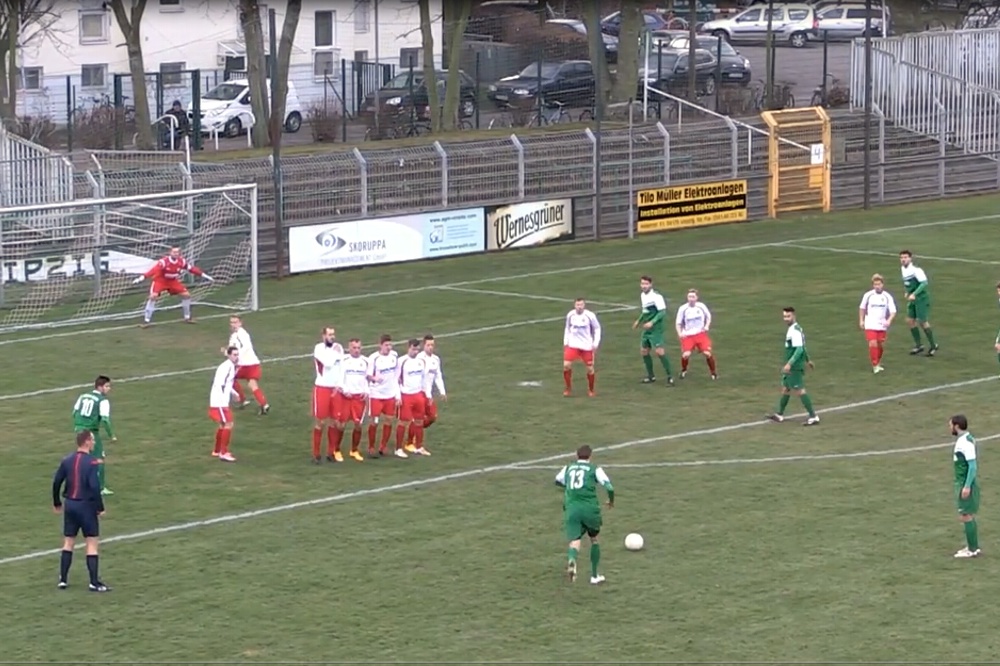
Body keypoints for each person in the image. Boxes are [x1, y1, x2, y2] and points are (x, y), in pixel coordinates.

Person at [52, 430, 110, 592]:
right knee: (91, 542)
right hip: (86, 506)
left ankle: (63, 579)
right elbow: (94, 487)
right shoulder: (91, 463)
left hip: (70, 504)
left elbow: (57, 482)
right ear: (86, 442)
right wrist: (100, 508)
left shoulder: (67, 460)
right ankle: (93, 582)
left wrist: (57, 502)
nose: (94, 443)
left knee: (68, 541)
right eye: (92, 440)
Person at [555, 445, 614, 585]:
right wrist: (611, 501)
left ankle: (572, 560)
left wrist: (570, 488)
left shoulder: (568, 467)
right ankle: (594, 576)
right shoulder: (595, 469)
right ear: (590, 456)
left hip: (572, 509)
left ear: (577, 455)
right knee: (594, 539)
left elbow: (557, 480)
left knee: (575, 539)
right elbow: (609, 487)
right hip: (589, 509)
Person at [132, 246, 213, 326]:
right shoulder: (164, 262)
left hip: (173, 281)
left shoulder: (182, 261)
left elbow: (192, 269)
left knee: (186, 295)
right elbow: (153, 270)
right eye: (174, 252)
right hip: (160, 280)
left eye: (177, 252)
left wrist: (205, 276)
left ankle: (187, 317)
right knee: (153, 296)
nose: (176, 254)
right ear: (170, 252)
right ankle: (146, 321)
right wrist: (141, 278)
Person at [767, 307, 819, 426]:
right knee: (786, 388)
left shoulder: (795, 330)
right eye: (784, 316)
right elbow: (803, 347)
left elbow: (799, 349)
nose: (786, 319)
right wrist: (808, 359)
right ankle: (779, 414)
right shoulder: (794, 329)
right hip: (791, 364)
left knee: (800, 390)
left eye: (788, 316)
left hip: (794, 366)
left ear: (794, 316)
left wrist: (789, 364)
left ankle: (813, 416)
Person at [72, 376, 116, 496]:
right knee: (99, 459)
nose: (109, 389)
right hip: (91, 432)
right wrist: (111, 435)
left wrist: (78, 426)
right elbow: (105, 420)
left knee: (83, 457)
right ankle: (100, 488)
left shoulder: (83, 396)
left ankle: (80, 484)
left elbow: (74, 412)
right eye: (107, 386)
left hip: (79, 430)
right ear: (100, 387)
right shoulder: (102, 400)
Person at [632, 275, 674, 385]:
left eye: (646, 284)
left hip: (656, 329)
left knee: (659, 352)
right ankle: (651, 376)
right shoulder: (643, 296)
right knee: (644, 351)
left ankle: (670, 376)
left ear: (651, 284)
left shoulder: (656, 297)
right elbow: (645, 311)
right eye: (642, 284)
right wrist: (639, 320)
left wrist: (652, 322)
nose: (644, 286)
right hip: (647, 328)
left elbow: (662, 312)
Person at [408, 334, 446, 452]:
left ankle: (414, 432)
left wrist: (442, 391)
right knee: (420, 418)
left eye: (432, 345)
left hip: (427, 394)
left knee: (432, 417)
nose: (430, 347)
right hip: (420, 392)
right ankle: (412, 442)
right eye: (428, 345)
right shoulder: (419, 359)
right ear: (424, 346)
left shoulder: (435, 359)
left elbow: (438, 376)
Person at [312, 326, 345, 463]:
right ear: (323, 336)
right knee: (320, 421)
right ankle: (316, 453)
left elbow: (342, 367)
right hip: (322, 389)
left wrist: (340, 385)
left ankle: (330, 452)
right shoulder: (318, 348)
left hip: (335, 389)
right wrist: (335, 353)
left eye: (333, 334)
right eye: (329, 334)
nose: (332, 337)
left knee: (334, 422)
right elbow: (328, 363)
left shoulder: (339, 347)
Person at [950, 415, 981, 558]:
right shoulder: (967, 439)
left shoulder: (965, 443)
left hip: (965, 482)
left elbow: (972, 466)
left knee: (965, 515)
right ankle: (972, 547)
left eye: (951, 425)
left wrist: (967, 486)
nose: (950, 428)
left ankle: (972, 549)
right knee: (966, 514)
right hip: (963, 481)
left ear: (956, 426)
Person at [226, 315, 269, 415]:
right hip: (253, 363)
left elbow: (246, 346)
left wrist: (236, 355)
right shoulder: (234, 335)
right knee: (252, 385)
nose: (233, 324)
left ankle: (242, 400)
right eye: (231, 322)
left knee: (230, 378)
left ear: (240, 323)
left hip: (245, 364)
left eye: (235, 322)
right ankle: (264, 404)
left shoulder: (241, 334)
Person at [367, 334, 402, 458]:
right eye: (386, 345)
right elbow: (367, 375)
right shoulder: (373, 358)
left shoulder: (394, 356)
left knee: (389, 420)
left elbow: (396, 377)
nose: (389, 347)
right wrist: (374, 378)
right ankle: (371, 447)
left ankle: (383, 446)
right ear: (380, 345)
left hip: (390, 394)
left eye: (390, 345)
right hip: (376, 394)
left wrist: (397, 395)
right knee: (374, 421)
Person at [899, 250, 938, 356]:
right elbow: (907, 283)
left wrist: (914, 294)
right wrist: (907, 292)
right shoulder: (903, 269)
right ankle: (919, 345)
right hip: (913, 299)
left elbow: (924, 283)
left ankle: (933, 345)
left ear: (910, 258)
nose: (903, 259)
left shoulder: (916, 270)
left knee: (922, 321)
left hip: (921, 299)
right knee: (910, 320)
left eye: (905, 257)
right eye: (902, 257)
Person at [397, 339, 432, 456]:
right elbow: (396, 380)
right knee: (403, 421)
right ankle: (398, 449)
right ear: (408, 348)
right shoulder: (401, 361)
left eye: (417, 349)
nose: (415, 352)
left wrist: (427, 395)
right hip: (406, 395)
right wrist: (398, 396)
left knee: (419, 421)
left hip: (418, 395)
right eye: (413, 349)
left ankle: (419, 447)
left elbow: (424, 379)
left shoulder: (421, 361)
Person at [858, 274, 897, 374]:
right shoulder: (868, 295)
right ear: (873, 285)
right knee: (872, 343)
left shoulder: (887, 296)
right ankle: (875, 365)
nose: (877, 286)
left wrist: (889, 321)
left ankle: (878, 362)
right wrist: (861, 320)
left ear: (882, 284)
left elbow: (893, 311)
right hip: (870, 323)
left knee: (879, 344)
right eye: (875, 284)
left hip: (881, 324)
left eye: (879, 284)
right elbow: (862, 308)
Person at [563, 298, 602, 397]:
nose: (579, 307)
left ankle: (591, 390)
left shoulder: (590, 316)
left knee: (590, 368)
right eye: (577, 305)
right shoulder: (570, 315)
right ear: (574, 305)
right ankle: (568, 388)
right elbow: (567, 328)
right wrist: (566, 341)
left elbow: (597, 328)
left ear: (584, 305)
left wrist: (595, 343)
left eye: (581, 305)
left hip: (586, 346)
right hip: (573, 344)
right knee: (566, 365)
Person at [675, 288, 717, 380]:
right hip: (688, 335)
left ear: (697, 298)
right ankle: (684, 370)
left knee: (707, 353)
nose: (691, 299)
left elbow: (708, 316)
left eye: (693, 297)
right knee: (686, 355)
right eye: (689, 296)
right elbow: (678, 323)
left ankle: (713, 373)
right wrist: (680, 333)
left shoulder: (701, 306)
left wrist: (707, 326)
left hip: (700, 334)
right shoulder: (683, 308)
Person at [340, 338, 371, 461]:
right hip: (346, 397)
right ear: (349, 348)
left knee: (358, 425)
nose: (357, 350)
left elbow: (367, 378)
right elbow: (340, 377)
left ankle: (354, 450)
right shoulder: (344, 360)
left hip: (359, 398)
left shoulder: (366, 361)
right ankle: (336, 449)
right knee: (341, 425)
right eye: (354, 348)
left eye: (358, 348)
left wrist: (366, 391)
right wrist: (344, 390)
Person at [209, 346, 240, 462]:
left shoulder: (229, 366)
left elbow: (226, 384)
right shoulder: (227, 367)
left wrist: (234, 393)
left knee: (223, 424)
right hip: (220, 402)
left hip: (219, 400)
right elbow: (220, 384)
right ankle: (223, 452)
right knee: (229, 423)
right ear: (229, 355)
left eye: (237, 355)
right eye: (234, 355)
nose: (236, 357)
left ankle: (217, 450)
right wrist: (222, 401)